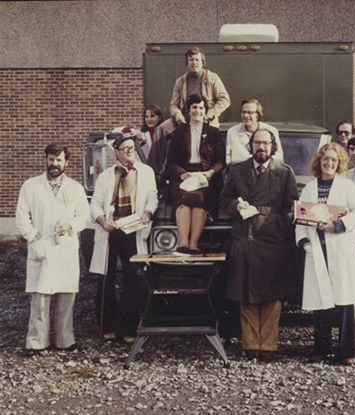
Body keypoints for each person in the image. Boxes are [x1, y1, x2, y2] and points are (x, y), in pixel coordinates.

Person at [219, 128, 298, 361]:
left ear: (273, 146)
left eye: (266, 143)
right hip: (245, 236)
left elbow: (292, 205)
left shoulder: (284, 172)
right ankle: (251, 344)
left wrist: (281, 224)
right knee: (246, 293)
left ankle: (269, 344)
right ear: (250, 146)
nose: (261, 147)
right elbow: (223, 199)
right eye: (257, 143)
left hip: (273, 238)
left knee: (273, 294)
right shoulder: (238, 169)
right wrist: (236, 206)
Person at [15, 143, 90, 356]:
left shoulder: (75, 188)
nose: (54, 164)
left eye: (58, 160)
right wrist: (33, 236)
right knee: (40, 297)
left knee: (66, 295)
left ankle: (65, 340)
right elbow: (21, 216)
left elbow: (84, 216)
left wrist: (71, 225)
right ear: (46, 160)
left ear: (67, 162)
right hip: (42, 247)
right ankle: (37, 341)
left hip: (65, 247)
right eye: (51, 159)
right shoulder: (31, 186)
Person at [295, 142, 355, 365]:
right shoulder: (309, 188)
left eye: (334, 160)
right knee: (320, 300)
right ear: (319, 161)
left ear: (339, 163)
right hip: (317, 248)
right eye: (326, 159)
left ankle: (346, 351)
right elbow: (300, 219)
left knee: (344, 301)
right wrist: (304, 242)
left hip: (340, 247)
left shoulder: (347, 187)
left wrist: (339, 225)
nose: (329, 163)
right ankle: (321, 348)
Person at [89, 127, 158, 344]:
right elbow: (96, 204)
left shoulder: (146, 172)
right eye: (125, 148)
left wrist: (148, 212)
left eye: (132, 148)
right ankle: (107, 327)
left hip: (133, 230)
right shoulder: (106, 176)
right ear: (116, 152)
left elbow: (152, 198)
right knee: (106, 279)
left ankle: (127, 328)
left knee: (133, 279)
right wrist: (102, 221)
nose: (129, 151)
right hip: (110, 231)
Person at [148, 47, 230, 180]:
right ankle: (155, 173)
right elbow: (173, 104)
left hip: (206, 118)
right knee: (161, 129)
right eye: (191, 60)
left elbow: (225, 100)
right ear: (187, 62)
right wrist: (177, 114)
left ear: (202, 62)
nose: (194, 63)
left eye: (197, 60)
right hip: (185, 118)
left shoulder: (212, 78)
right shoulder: (180, 81)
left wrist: (209, 114)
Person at [167, 94, 225, 254]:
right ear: (188, 110)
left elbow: (221, 161)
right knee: (183, 197)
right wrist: (182, 174)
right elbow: (170, 161)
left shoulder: (213, 132)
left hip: (207, 176)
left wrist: (211, 172)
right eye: (194, 107)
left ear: (205, 110)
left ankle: (194, 244)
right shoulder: (179, 132)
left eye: (201, 107)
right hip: (184, 175)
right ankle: (183, 242)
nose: (197, 111)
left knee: (200, 198)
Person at [226, 98, 284, 165]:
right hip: (241, 172)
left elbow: (279, 157)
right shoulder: (232, 132)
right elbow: (229, 159)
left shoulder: (271, 131)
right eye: (244, 112)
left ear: (258, 115)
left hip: (266, 171)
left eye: (250, 112)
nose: (246, 115)